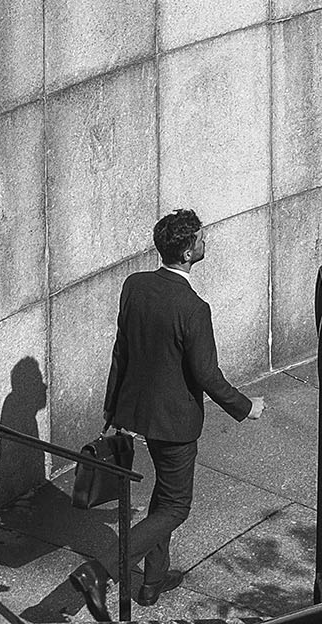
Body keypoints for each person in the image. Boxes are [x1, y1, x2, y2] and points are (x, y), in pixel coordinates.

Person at [73, 208, 266, 617]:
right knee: (176, 506)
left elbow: (122, 350)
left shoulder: (135, 285)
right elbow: (207, 375)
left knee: (164, 499)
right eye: (200, 237)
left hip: (138, 412)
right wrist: (247, 407)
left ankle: (152, 583)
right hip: (175, 423)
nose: (204, 241)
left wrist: (113, 407)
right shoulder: (194, 308)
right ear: (187, 252)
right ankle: (100, 570)